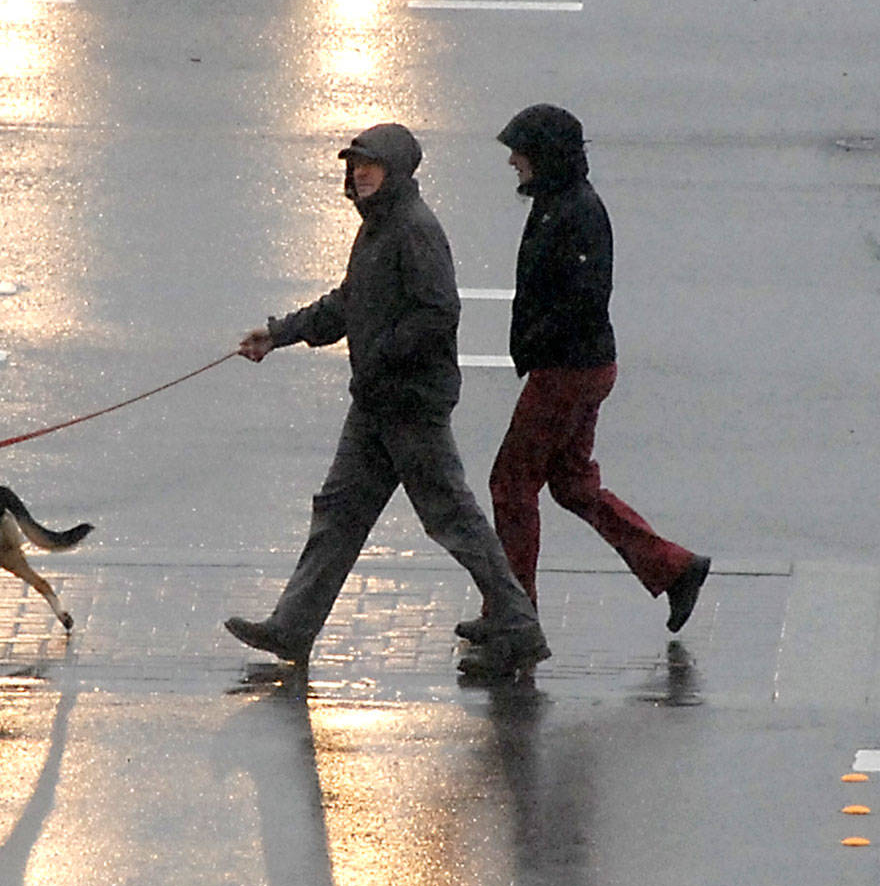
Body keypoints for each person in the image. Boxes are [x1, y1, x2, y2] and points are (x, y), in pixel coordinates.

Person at [225, 122, 550, 681]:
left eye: (368, 165)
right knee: (339, 515)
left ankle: (519, 628)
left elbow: (438, 312)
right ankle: (293, 628)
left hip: (410, 405)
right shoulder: (377, 229)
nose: (358, 174)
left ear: (396, 171)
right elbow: (348, 303)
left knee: (453, 519)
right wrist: (278, 335)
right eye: (354, 166)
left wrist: (381, 354)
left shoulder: (413, 230)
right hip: (376, 403)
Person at [464, 104, 709, 644]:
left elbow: (580, 298)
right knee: (573, 485)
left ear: (546, 157)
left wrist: (534, 345)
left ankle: (514, 615)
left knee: (510, 484)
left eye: (520, 152)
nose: (511, 161)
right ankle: (673, 566)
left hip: (568, 370)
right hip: (579, 365)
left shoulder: (575, 211)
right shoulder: (559, 202)